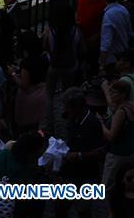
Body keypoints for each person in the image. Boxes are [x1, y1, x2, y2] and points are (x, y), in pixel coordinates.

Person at [54, 88, 104, 218]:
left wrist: (78, 155)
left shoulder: (92, 124)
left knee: (83, 211)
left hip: (86, 176)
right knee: (60, 207)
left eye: (67, 107)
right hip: (69, 173)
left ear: (77, 107)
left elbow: (100, 152)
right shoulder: (72, 119)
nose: (64, 111)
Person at [43, 5, 82, 133]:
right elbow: (78, 47)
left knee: (49, 94)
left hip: (54, 66)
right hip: (71, 66)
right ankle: (68, 118)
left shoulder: (51, 31)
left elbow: (45, 47)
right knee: (68, 92)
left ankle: (49, 123)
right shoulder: (75, 31)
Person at [11, 29, 49, 134]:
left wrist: (13, 74)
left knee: (23, 128)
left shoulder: (26, 63)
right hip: (41, 95)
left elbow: (24, 85)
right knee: (34, 125)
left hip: (28, 100)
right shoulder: (43, 58)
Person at [103, 79, 134, 192]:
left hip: (117, 154)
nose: (111, 94)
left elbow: (111, 136)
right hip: (129, 152)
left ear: (123, 95)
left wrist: (101, 124)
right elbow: (112, 105)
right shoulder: (130, 106)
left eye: (113, 92)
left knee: (107, 186)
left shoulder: (121, 112)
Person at [100, 0, 133, 69]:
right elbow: (130, 32)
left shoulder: (108, 15)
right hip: (123, 54)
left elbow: (105, 44)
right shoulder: (123, 9)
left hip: (112, 59)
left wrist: (102, 65)